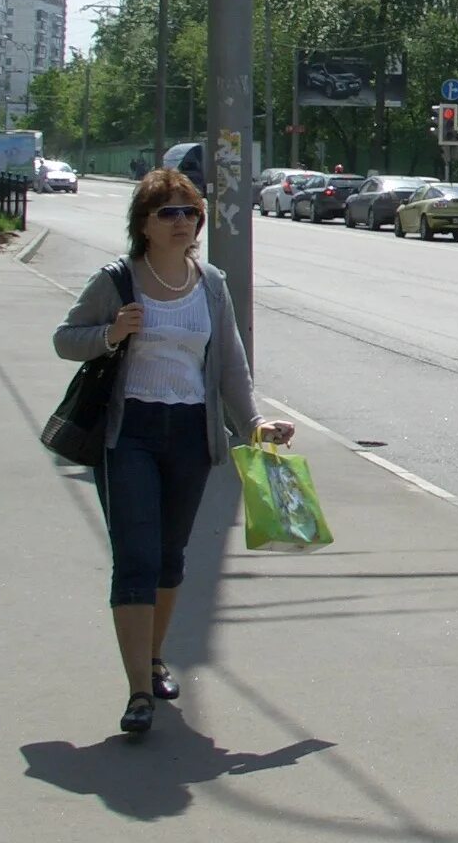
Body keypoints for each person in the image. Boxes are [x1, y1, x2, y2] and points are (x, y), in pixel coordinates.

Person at [54, 168, 295, 737]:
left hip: (190, 434)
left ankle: (155, 657)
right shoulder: (118, 281)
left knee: (169, 559)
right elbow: (66, 338)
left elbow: (231, 366)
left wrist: (254, 424)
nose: (184, 222)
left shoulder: (211, 283)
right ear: (144, 223)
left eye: (190, 212)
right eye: (170, 212)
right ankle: (139, 690)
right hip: (130, 431)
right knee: (135, 560)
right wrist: (110, 333)